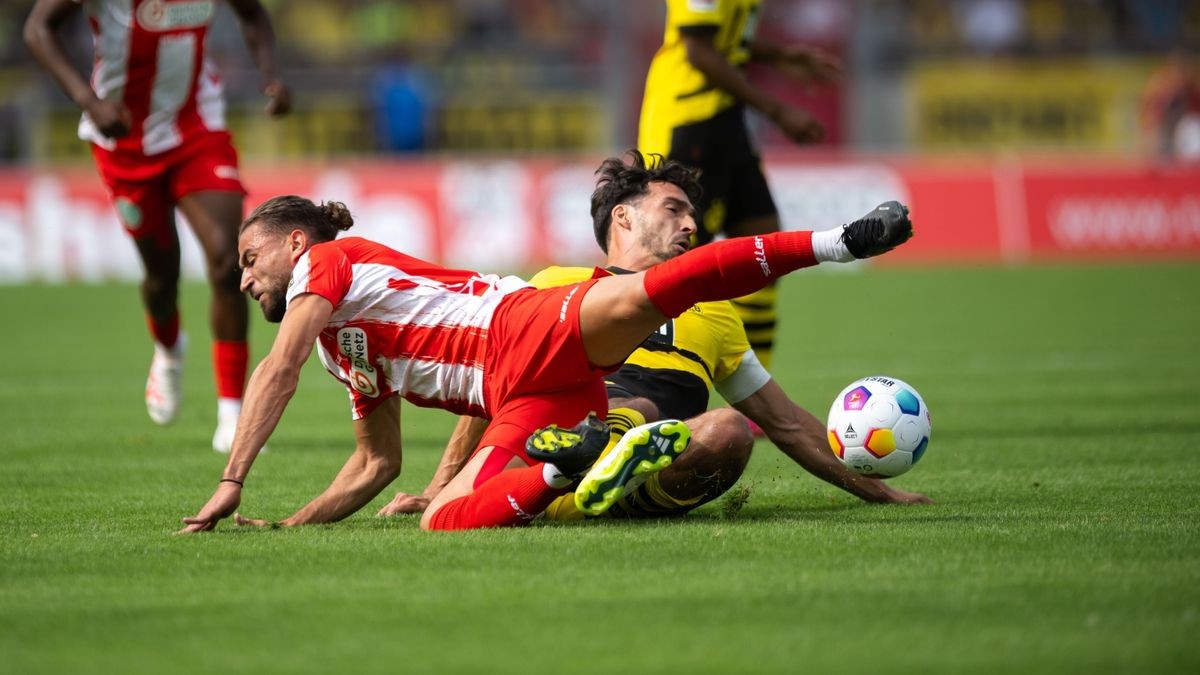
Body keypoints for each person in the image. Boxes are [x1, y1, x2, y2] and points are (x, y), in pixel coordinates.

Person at [178, 151, 914, 533]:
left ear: (296, 243)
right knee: (446, 521)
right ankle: (573, 468)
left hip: (519, 329)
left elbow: (278, 366)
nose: (244, 280)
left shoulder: (328, 263)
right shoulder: (350, 351)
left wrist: (234, 476)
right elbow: (376, 461)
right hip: (531, 401)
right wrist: (287, 522)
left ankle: (841, 241)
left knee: (664, 292)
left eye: (250, 261)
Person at [380, 152, 930, 521]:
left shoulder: (715, 312)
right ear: (622, 218)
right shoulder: (554, 284)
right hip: (556, 439)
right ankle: (584, 459)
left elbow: (784, 422)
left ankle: (607, 472)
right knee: (637, 405)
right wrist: (441, 488)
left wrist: (879, 491)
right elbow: (488, 392)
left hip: (647, 481)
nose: (691, 224)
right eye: (674, 209)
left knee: (730, 431)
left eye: (692, 214)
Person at [24, 0, 292, 452]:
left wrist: (271, 75)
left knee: (230, 258)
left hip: (197, 131)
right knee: (161, 274)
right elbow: (37, 29)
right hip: (123, 139)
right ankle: (168, 350)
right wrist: (89, 103)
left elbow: (252, 14)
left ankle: (233, 413)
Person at [639, 0, 841, 370]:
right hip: (686, 126)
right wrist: (777, 110)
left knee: (762, 246)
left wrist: (778, 55)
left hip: (726, 124)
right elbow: (698, 51)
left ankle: (757, 385)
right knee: (671, 265)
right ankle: (649, 381)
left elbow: (726, 41)